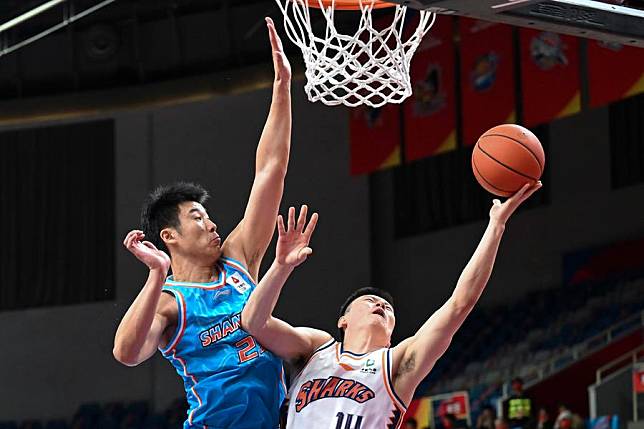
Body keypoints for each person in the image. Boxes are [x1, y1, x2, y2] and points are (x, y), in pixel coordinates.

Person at [112, 17, 293, 429]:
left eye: (209, 217)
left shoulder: (239, 260)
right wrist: (156, 273)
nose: (213, 225)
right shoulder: (167, 300)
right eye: (198, 218)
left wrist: (282, 89)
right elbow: (126, 353)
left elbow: (270, 170)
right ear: (169, 236)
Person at [241, 182, 542, 428]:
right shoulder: (315, 348)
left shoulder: (398, 363)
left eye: (389, 308)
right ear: (342, 321)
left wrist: (497, 225)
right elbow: (254, 322)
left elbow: (460, 304)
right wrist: (280, 266)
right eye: (371, 301)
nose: (382, 306)